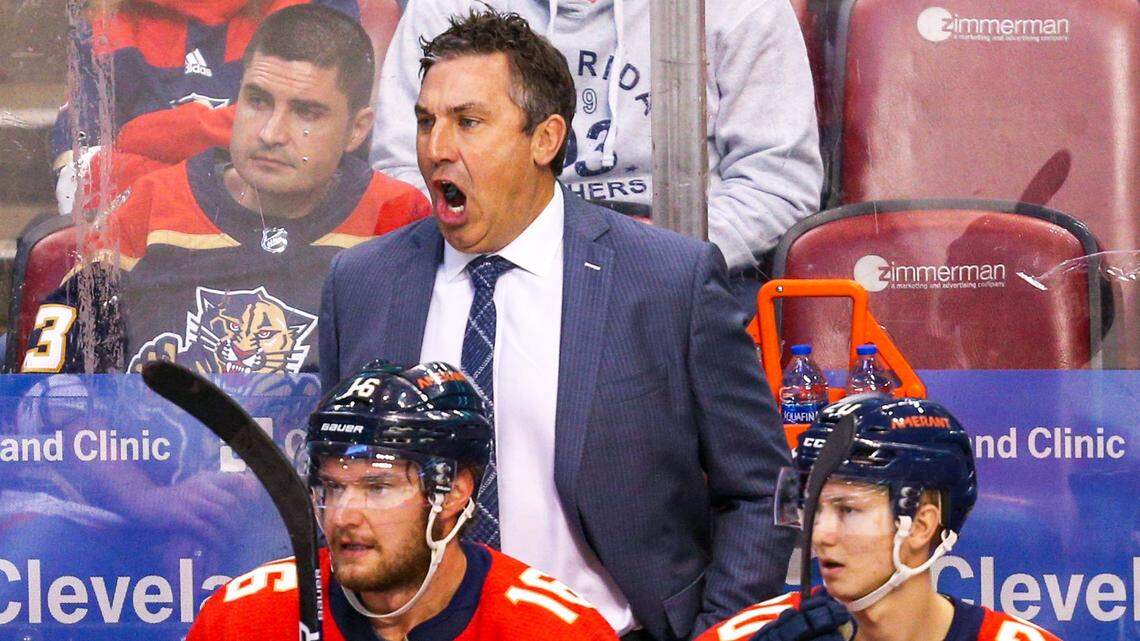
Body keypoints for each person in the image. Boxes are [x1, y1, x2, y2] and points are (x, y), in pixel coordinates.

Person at [320, 10, 794, 640]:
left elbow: (763, 490)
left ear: (544, 139)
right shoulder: (363, 283)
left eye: (468, 122)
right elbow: (334, 478)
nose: (437, 148)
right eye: (426, 121)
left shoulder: (666, 281)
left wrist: (712, 635)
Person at [23, 4, 429, 375]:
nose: (271, 133)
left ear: (357, 129)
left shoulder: (399, 215)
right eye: (257, 101)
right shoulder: (149, 207)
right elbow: (48, 392)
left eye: (306, 112)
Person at [370, 0, 823, 274]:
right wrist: (525, 253)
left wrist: (655, 259)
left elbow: (777, 184)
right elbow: (402, 174)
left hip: (678, 264)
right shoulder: (445, 8)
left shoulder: (743, 8)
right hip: (493, 258)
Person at [186, 360, 620, 641]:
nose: (343, 516)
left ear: (452, 492)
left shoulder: (554, 631)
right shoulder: (241, 620)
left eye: (378, 488)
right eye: (333, 487)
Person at [696, 395, 1063, 641]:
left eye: (848, 510)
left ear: (920, 524)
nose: (820, 535)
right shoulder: (751, 635)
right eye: (814, 508)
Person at [52, 0, 363, 217]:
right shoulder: (105, 23)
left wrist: (142, 136)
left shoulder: (319, 6)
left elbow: (310, 146)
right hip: (147, 249)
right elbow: (78, 181)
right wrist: (224, 174)